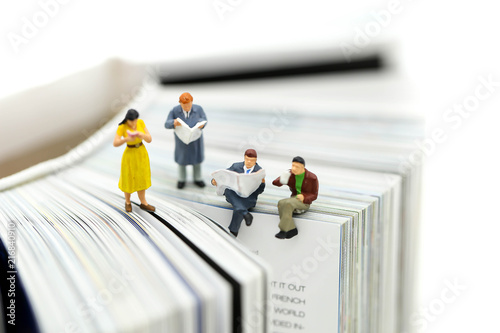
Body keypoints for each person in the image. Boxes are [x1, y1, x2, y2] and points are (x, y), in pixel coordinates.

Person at [211, 149, 265, 237]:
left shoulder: (259, 171)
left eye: (251, 160)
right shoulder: (236, 166)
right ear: (244, 158)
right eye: (247, 159)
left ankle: (236, 225)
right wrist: (215, 181)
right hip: (235, 194)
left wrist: (262, 183)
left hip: (248, 197)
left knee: (239, 206)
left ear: (255, 160)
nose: (248, 162)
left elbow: (260, 191)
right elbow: (224, 175)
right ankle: (242, 217)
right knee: (228, 191)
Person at [113, 109, 155, 213]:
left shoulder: (140, 122)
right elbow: (115, 142)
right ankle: (127, 201)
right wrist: (126, 139)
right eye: (131, 121)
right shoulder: (122, 127)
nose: (133, 123)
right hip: (129, 154)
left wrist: (142, 135)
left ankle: (143, 202)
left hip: (141, 153)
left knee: (141, 176)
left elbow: (149, 139)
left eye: (135, 120)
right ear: (127, 119)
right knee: (129, 177)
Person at [164, 92, 207, 189]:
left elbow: (204, 119)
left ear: (192, 102)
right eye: (184, 105)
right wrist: (173, 123)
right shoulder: (175, 110)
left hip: (196, 141)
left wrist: (202, 124)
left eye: (188, 104)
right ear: (180, 103)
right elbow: (166, 124)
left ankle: (198, 178)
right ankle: (181, 179)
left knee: (197, 160)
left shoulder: (198, 109)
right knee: (181, 161)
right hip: (182, 142)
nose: (186, 106)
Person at [272, 156, 318, 239]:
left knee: (288, 204)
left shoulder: (312, 178)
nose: (294, 168)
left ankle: (283, 230)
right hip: (294, 199)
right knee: (281, 203)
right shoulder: (290, 174)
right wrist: (283, 178)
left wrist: (304, 197)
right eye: (293, 165)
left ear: (303, 167)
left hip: (304, 202)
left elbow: (314, 195)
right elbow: (275, 183)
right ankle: (292, 229)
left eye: (297, 167)